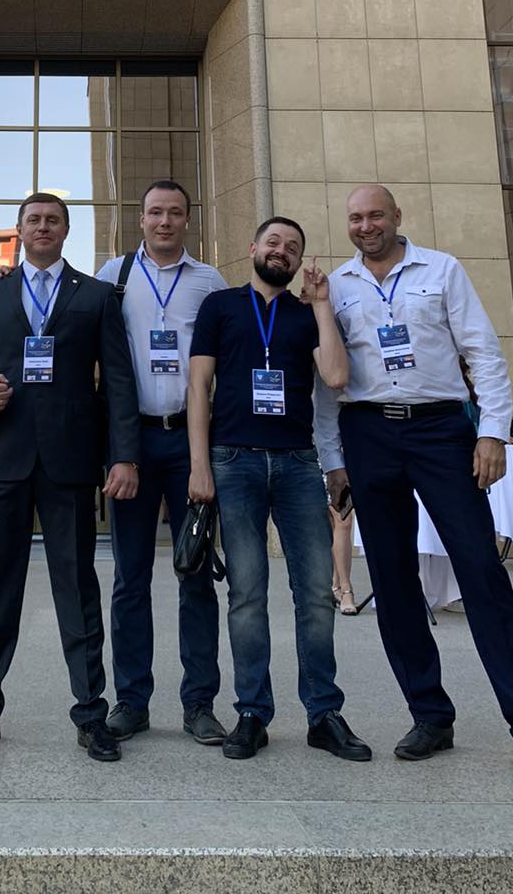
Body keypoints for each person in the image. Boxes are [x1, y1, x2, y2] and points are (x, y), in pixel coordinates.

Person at [317, 185, 513, 792]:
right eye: (355, 218)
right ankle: (430, 715)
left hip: (440, 431)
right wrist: (334, 460)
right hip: (367, 434)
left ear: (396, 217)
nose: (366, 226)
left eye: (375, 215)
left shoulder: (442, 270)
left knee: (482, 572)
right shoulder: (338, 287)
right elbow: (325, 384)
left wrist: (492, 432)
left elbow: (483, 352)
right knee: (393, 581)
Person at [0, 192, 141, 762]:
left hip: (69, 461)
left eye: (53, 220)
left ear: (65, 230)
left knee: (77, 588)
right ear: (20, 230)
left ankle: (91, 713)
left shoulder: (95, 296)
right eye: (33, 220)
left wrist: (124, 456)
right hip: (1, 458)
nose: (43, 227)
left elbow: (118, 381)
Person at [187, 216, 371, 764]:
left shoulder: (307, 313)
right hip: (233, 461)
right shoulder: (220, 307)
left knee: (315, 592)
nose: (282, 251)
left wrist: (322, 305)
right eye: (273, 242)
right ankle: (252, 713)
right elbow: (198, 386)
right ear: (252, 247)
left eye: (293, 247)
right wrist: (199, 466)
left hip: (296, 463)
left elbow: (336, 377)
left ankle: (323, 713)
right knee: (246, 594)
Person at [94, 179, 228, 746]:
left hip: (190, 445)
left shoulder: (209, 281)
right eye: (155, 212)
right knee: (130, 578)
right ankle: (132, 700)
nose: (164, 221)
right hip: (132, 445)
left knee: (195, 574)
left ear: (188, 219)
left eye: (175, 212)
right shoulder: (114, 276)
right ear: (141, 218)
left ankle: (199, 703)